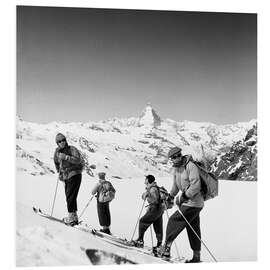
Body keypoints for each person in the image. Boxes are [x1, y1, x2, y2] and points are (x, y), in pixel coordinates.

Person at [160, 147, 204, 263]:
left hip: (194, 202)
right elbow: (176, 185)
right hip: (188, 202)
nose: (176, 158)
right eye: (173, 157)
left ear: (181, 154)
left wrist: (185, 196)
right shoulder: (176, 169)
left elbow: (196, 185)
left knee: (174, 220)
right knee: (193, 227)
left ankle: (166, 249)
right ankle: (196, 256)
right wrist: (171, 196)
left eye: (178, 155)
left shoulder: (190, 166)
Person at [53, 133, 83, 226]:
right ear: (57, 143)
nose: (62, 142)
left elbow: (78, 160)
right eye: (60, 141)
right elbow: (56, 163)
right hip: (66, 176)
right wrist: (59, 173)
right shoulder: (57, 153)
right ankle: (73, 216)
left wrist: (66, 157)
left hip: (75, 173)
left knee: (71, 196)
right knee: (69, 196)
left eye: (63, 140)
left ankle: (72, 217)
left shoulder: (72, 149)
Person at [131, 175, 164, 253]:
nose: (145, 180)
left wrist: (148, 195)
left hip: (154, 208)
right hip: (159, 209)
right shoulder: (154, 187)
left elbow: (154, 199)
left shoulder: (152, 189)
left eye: (146, 178)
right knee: (158, 226)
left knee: (143, 221)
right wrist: (145, 195)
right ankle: (159, 245)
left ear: (148, 180)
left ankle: (140, 240)